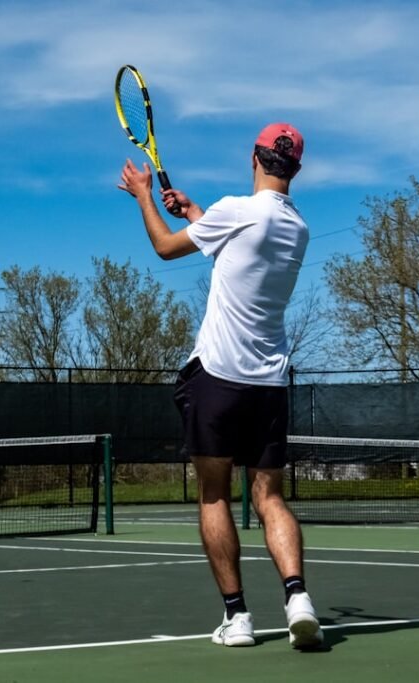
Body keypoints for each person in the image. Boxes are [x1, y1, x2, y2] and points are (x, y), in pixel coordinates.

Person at [117, 123, 323, 649]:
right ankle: (298, 597)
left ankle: (238, 618)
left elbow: (165, 249)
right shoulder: (296, 227)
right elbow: (234, 251)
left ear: (252, 157)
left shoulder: (237, 210)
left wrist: (145, 197)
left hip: (217, 379)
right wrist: (192, 212)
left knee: (214, 496)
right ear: (294, 168)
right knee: (269, 497)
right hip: (269, 385)